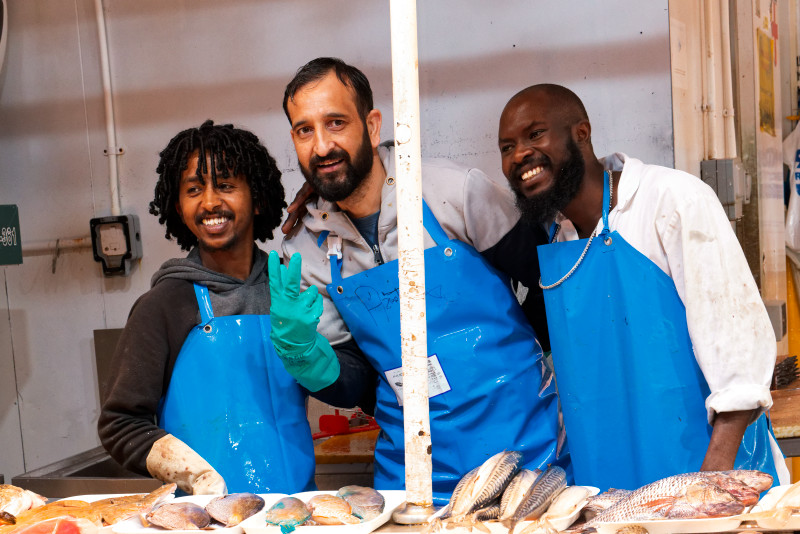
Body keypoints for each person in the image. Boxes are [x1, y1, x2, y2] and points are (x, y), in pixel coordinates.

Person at [267, 57, 570, 504]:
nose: (322, 145)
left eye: (336, 123)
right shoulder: (304, 250)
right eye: (304, 130)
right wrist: (307, 357)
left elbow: (550, 282)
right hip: (414, 472)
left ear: (372, 126)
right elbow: (356, 384)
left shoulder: (453, 192)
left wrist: (515, 364)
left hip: (525, 448)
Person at [497, 83, 789, 491]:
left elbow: (738, 342)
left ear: (581, 133)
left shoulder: (671, 200)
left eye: (535, 134)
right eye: (507, 148)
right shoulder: (558, 238)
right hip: (611, 486)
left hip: (710, 476)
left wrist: (713, 479)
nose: (519, 155)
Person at [98, 120, 317, 495]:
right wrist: (193, 474)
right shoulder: (163, 306)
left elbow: (346, 383)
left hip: (296, 510)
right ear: (178, 207)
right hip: (204, 515)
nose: (210, 202)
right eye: (194, 189)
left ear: (258, 198)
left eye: (226, 185)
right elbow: (120, 423)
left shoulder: (290, 290)